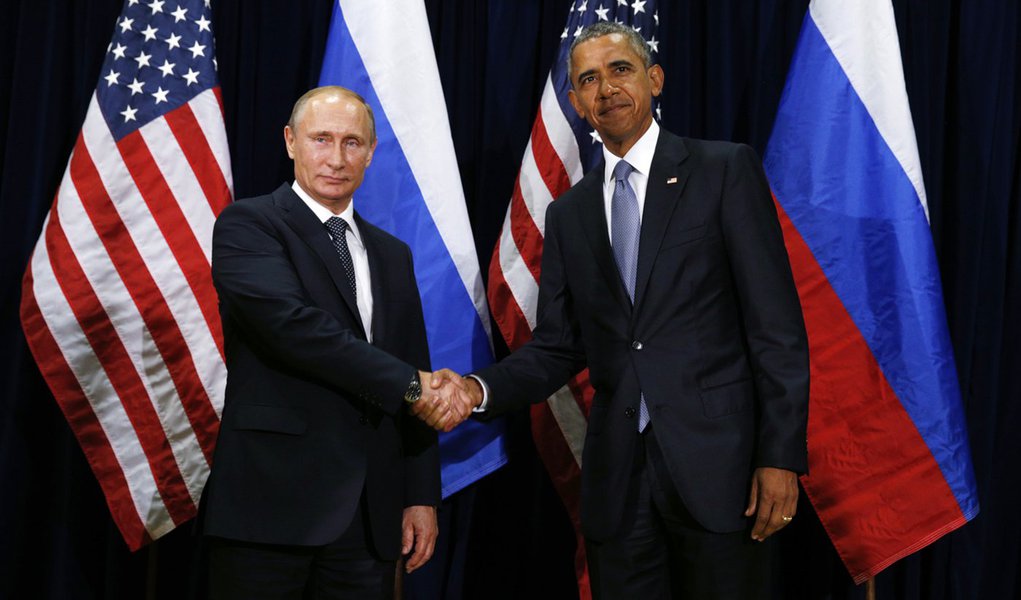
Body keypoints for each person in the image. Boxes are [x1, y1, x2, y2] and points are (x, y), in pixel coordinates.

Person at [428, 22, 809, 599]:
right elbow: (558, 345)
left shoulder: (723, 170)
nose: (606, 88)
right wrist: (477, 391)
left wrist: (780, 457)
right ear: (577, 104)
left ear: (654, 79)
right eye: (588, 80)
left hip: (723, 471)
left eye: (620, 70)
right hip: (618, 482)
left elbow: (775, 328)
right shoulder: (569, 215)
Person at [201, 86, 465, 599]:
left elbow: (415, 362)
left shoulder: (393, 254)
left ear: (370, 152)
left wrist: (419, 494)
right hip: (270, 509)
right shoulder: (250, 225)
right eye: (321, 139)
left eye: (352, 142)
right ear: (291, 142)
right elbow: (294, 329)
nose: (336, 158)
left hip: (369, 517)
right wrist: (415, 386)